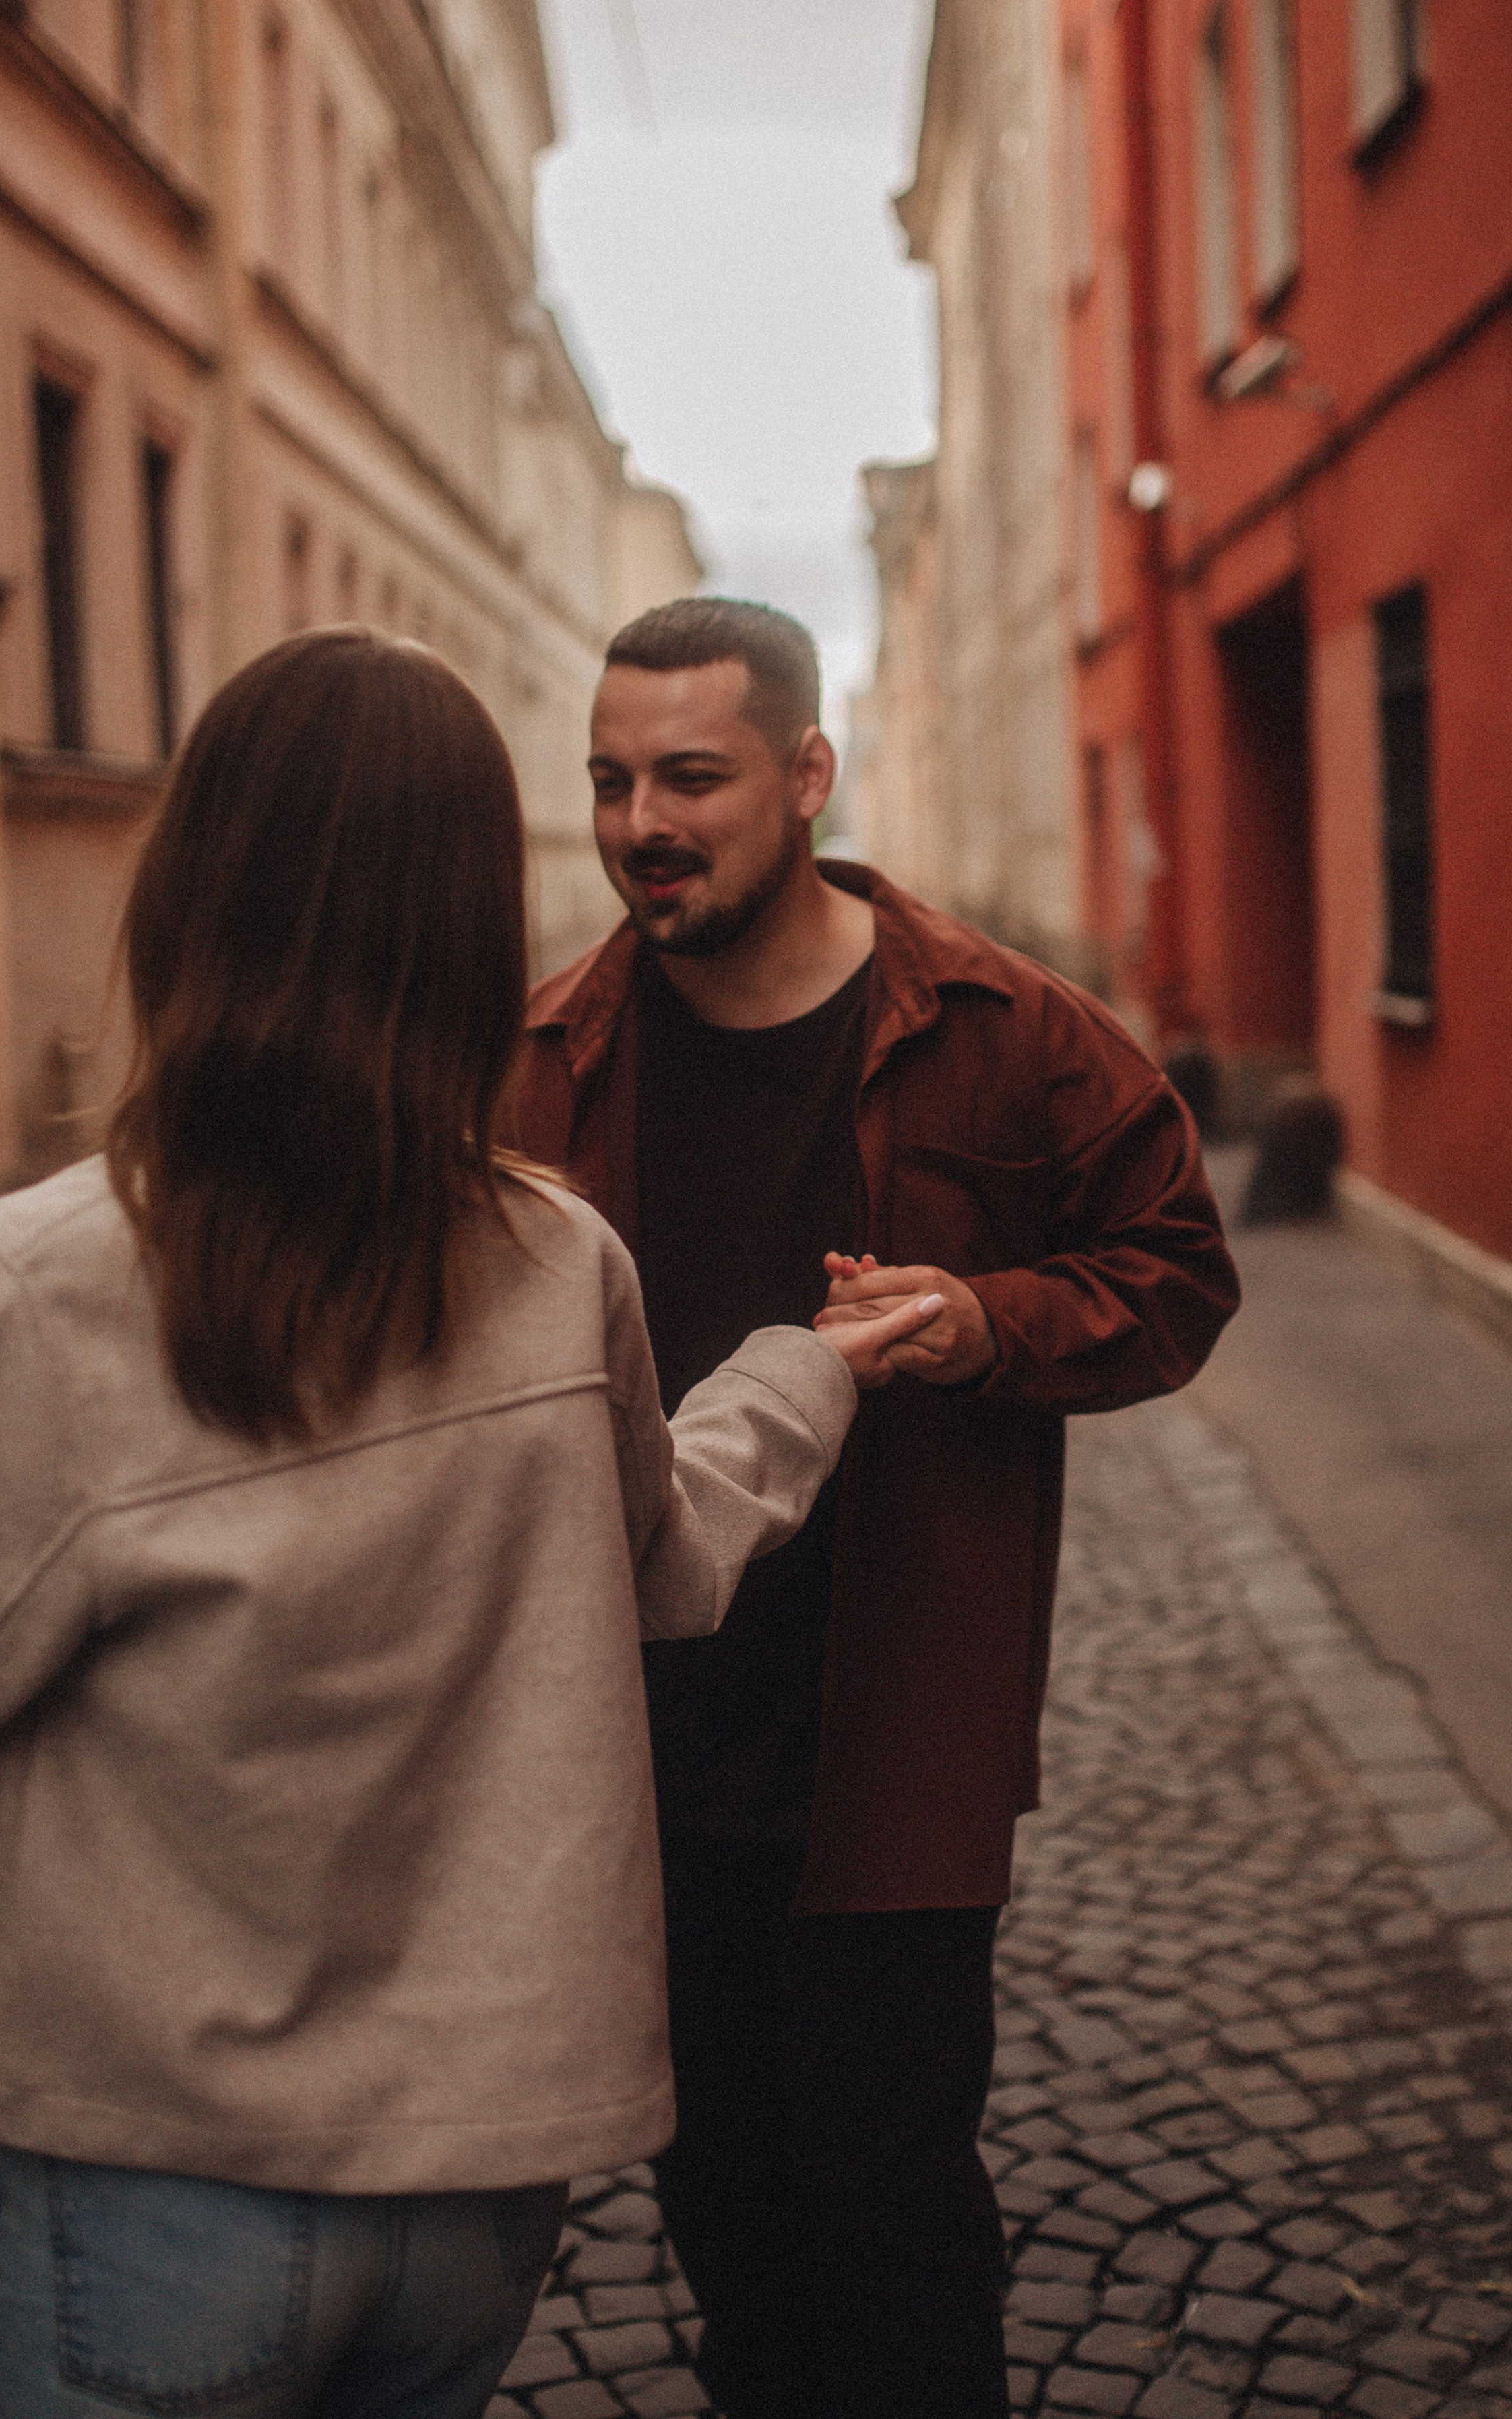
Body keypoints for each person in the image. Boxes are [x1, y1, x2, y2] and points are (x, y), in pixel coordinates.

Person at [0, 629, 942, 2419]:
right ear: (474, 930)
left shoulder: (48, 1291)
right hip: (478, 2207)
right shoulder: (561, 1263)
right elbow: (673, 1551)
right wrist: (814, 1368)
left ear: (184, 891)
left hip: (173, 2185)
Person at [509, 597, 1242, 2419]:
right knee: (725, 2204)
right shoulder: (542, 1061)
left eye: (691, 775)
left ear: (807, 775)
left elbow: (1176, 1269)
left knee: (896, 2208)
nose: (639, 823)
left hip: (888, 1745)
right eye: (610, 780)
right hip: (636, 1757)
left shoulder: (1002, 1027)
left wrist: (988, 1320)